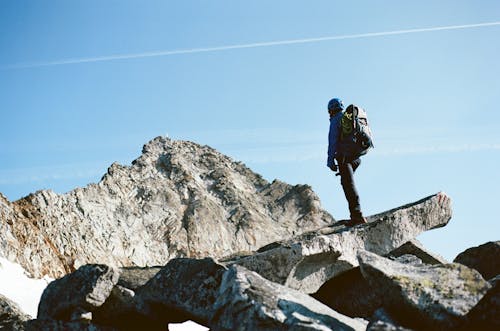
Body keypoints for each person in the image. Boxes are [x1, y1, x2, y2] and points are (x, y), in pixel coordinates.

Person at [327, 97, 367, 226]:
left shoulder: (336, 120)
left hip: (344, 157)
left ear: (331, 110)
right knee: (346, 182)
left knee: (348, 185)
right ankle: (356, 214)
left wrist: (330, 161)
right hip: (356, 157)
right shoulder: (348, 117)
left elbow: (332, 142)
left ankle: (357, 216)